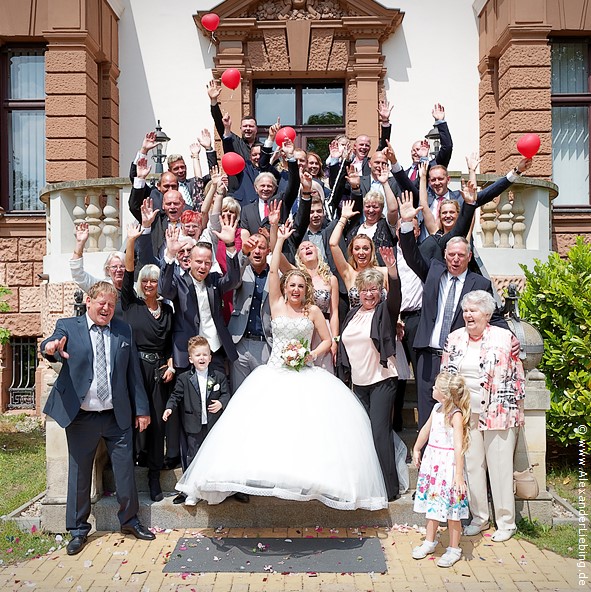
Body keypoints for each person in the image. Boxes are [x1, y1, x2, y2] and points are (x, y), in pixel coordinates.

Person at [174, 221, 388, 510]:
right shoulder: (276, 304)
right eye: (292, 285)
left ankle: (304, 477)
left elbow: (326, 341)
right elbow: (273, 270)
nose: (296, 289)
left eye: (301, 285)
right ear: (286, 288)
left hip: (304, 372)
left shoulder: (312, 311)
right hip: (274, 371)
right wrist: (278, 241)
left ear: (306, 288)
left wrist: (310, 355)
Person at [41, 281, 155, 556]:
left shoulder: (123, 330)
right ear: (89, 302)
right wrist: (51, 347)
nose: (106, 308)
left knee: (125, 472)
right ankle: (79, 530)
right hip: (81, 416)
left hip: (117, 416)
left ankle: (129, 521)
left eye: (111, 304)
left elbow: (133, 375)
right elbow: (50, 344)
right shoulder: (68, 326)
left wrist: (142, 409)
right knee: (79, 474)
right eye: (101, 303)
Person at [397, 192, 509, 431]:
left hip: (460, 358)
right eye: (451, 255)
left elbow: (495, 316)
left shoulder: (480, 284)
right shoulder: (433, 272)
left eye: (461, 255)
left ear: (469, 257)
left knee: (458, 412)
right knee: (428, 412)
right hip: (428, 354)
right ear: (445, 256)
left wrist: (510, 338)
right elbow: (411, 255)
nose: (455, 259)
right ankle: (429, 460)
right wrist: (406, 224)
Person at [440, 290, 525, 543]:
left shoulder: (504, 338)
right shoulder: (454, 338)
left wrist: (518, 412)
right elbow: (445, 374)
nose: (468, 315)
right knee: (472, 466)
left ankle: (506, 522)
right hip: (466, 414)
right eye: (466, 310)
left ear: (487, 314)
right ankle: (479, 517)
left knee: (499, 467)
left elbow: (517, 376)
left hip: (498, 412)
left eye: (473, 310)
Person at [337, 250, 402, 502]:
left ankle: (390, 488)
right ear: (358, 292)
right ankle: (369, 484)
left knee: (379, 434)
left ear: (380, 292)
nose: (369, 294)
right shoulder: (352, 314)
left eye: (374, 289)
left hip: (382, 380)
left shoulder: (385, 311)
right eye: (364, 290)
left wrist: (392, 270)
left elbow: (396, 297)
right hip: (359, 384)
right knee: (363, 435)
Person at [123, 224, 174, 501]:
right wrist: (132, 240)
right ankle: (129, 474)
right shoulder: (132, 304)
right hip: (135, 370)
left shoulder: (166, 310)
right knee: (133, 421)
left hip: (158, 373)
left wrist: (170, 364)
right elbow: (129, 269)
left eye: (153, 280)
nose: (149, 284)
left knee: (156, 424)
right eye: (145, 281)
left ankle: (154, 477)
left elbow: (169, 344)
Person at [411, 371, 470, 568]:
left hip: (449, 469)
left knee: (453, 511)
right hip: (434, 466)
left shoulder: (455, 415)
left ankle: (454, 548)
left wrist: (459, 476)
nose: (432, 389)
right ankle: (429, 540)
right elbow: (426, 429)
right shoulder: (436, 408)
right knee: (433, 505)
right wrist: (417, 447)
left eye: (435, 387)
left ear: (444, 394)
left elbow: (458, 446)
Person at [163, 336, 231, 505]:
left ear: (210, 357)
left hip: (212, 425)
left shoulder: (219, 376)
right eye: (198, 355)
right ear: (190, 359)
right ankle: (192, 491)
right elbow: (176, 395)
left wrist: (221, 403)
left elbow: (226, 394)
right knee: (193, 457)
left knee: (211, 456)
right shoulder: (184, 378)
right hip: (193, 425)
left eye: (205, 354)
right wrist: (169, 407)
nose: (202, 358)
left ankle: (209, 490)